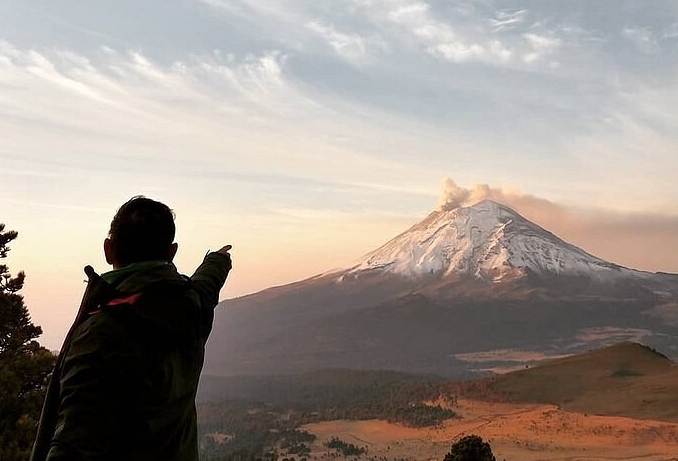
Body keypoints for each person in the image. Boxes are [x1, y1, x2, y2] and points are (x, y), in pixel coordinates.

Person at [31, 196, 232, 461]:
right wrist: (217, 260)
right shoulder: (190, 308)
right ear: (172, 252)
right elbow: (206, 285)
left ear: (108, 250)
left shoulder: (101, 333)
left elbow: (72, 447)